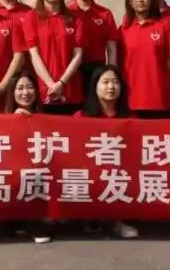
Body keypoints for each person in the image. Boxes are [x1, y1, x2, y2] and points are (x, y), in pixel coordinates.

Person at [72, 65, 139, 239]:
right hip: (90, 172)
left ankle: (114, 221)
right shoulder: (81, 117)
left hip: (120, 172)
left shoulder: (130, 118)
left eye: (115, 82)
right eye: (106, 82)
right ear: (95, 86)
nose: (111, 87)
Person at [117, 0, 170, 119]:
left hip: (160, 101)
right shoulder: (123, 30)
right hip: (130, 101)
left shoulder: (164, 27)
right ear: (129, 1)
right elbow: (119, 66)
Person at [23, 0, 84, 115]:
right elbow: (34, 55)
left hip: (71, 89)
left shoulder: (75, 18)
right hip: (44, 90)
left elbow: (78, 55)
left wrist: (61, 83)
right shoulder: (31, 17)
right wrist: (51, 85)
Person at [2, 71, 50, 244]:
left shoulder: (47, 119)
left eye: (29, 87)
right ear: (12, 92)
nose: (25, 92)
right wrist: (15, 121)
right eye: (20, 88)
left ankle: (35, 223)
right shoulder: (2, 119)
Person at [67, 0, 119, 89]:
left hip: (97, 71)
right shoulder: (67, 13)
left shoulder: (105, 14)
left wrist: (112, 72)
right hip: (71, 70)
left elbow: (111, 48)